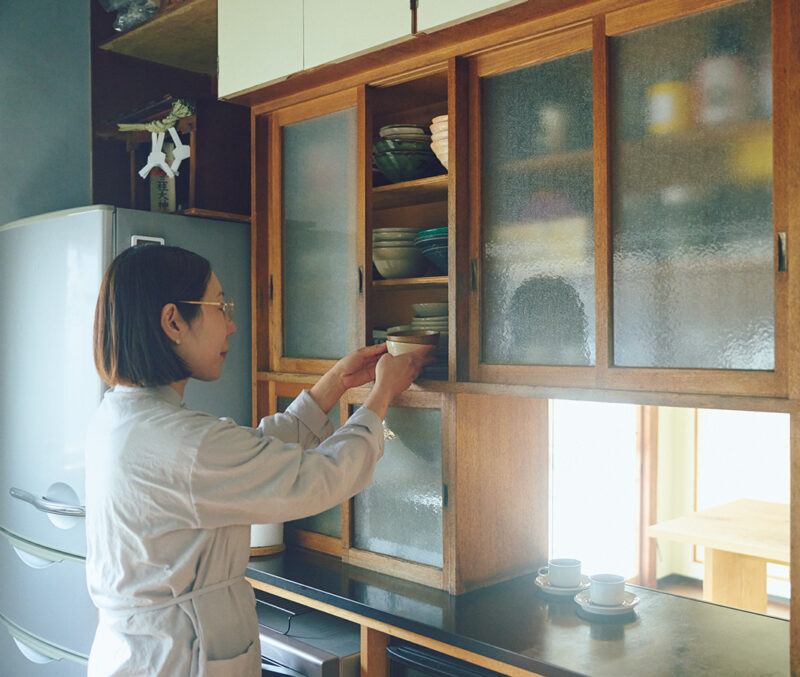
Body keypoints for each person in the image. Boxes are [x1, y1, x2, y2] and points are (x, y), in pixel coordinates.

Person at [85, 244, 433, 676]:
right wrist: (381, 395)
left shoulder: (123, 417)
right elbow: (319, 478)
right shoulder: (182, 442)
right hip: (176, 660)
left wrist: (334, 385)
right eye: (220, 307)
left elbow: (246, 453)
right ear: (173, 321)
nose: (231, 325)